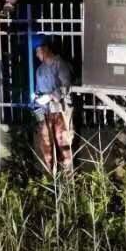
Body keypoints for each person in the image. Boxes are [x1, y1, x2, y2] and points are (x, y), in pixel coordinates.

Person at [32, 37, 74, 173]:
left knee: (63, 144)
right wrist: (38, 99)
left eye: (38, 52)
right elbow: (38, 90)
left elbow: (66, 86)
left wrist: (50, 96)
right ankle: (51, 175)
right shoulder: (40, 70)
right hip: (45, 111)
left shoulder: (60, 64)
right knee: (46, 145)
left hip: (60, 110)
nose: (37, 55)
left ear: (45, 50)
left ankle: (67, 177)